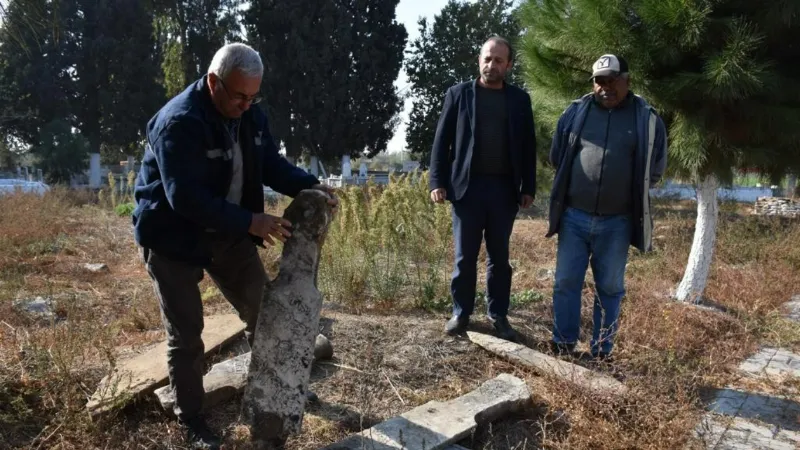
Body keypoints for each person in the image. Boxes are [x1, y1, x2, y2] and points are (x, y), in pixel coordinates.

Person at [132, 43, 337, 449]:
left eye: (253, 97)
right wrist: (252, 221)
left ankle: (279, 392)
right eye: (239, 96)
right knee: (187, 334)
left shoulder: (250, 116)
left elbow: (271, 165)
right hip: (173, 238)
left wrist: (310, 187)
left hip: (227, 237)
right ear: (213, 82)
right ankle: (191, 418)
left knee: (265, 313)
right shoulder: (179, 122)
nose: (246, 105)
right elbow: (185, 198)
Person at [546, 54, 667, 360]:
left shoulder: (647, 118)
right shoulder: (576, 112)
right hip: (574, 217)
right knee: (565, 282)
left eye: (612, 80)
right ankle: (563, 344)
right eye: (599, 81)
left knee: (610, 288)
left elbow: (654, 170)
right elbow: (558, 157)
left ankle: (602, 350)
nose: (605, 88)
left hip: (617, 222)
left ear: (627, 81)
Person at [429, 36, 537, 342]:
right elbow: (441, 143)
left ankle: (498, 315)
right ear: (479, 61)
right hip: (467, 190)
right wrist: (437, 182)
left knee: (499, 258)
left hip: (504, 191)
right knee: (465, 257)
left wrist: (528, 186)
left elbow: (529, 147)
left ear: (509, 65)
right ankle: (461, 313)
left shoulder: (519, 100)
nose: (492, 65)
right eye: (487, 59)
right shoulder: (458, 95)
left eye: (499, 60)